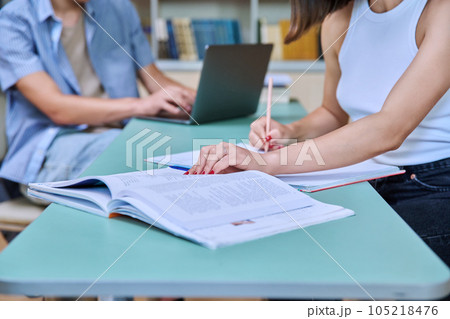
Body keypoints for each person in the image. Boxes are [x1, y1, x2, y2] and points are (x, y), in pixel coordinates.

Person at [187, 0, 450, 266]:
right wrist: (290, 131)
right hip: (364, 175)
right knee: (290, 249)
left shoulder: (441, 12)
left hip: (434, 183)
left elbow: (388, 130)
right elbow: (333, 113)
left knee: (386, 266)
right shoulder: (339, 19)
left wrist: (266, 163)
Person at [0, 0, 195, 187]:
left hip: (121, 134)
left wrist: (199, 98)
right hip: (51, 149)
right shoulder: (12, 21)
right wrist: (142, 106)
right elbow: (57, 109)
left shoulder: (119, 8)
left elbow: (155, 79)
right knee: (139, 150)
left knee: (189, 142)